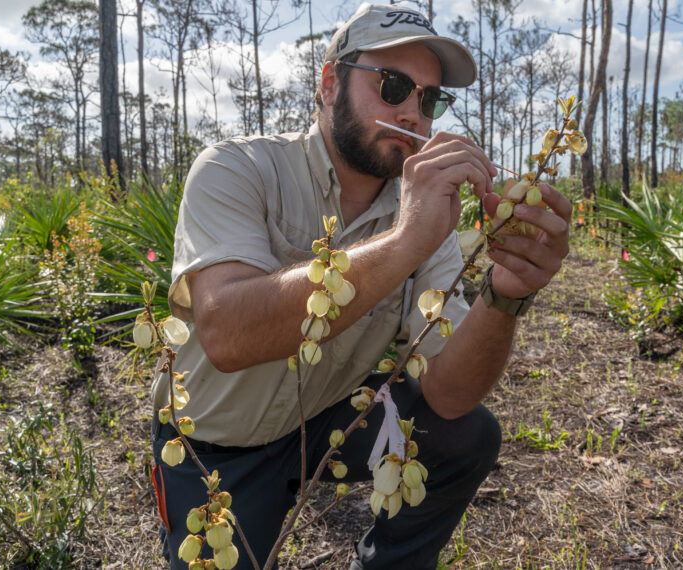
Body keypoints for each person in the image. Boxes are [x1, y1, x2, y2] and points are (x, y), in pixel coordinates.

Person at [150, 3, 572, 569]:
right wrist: (403, 243)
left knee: (465, 434)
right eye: (393, 85)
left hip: (327, 419)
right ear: (330, 84)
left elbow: (448, 395)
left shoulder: (423, 215)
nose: (414, 114)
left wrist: (506, 293)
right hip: (214, 449)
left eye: (430, 99)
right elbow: (228, 334)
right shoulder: (236, 169)